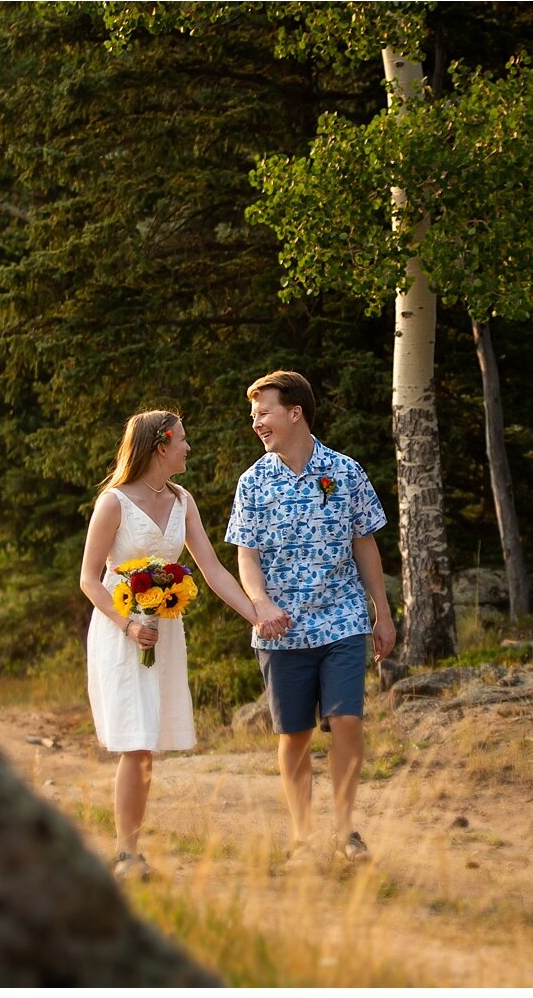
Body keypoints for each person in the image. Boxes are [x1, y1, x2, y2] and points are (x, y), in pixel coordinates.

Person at [80, 409, 262, 881]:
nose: (187, 447)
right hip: (122, 631)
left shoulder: (183, 500)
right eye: (181, 440)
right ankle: (126, 855)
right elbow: (88, 580)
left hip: (165, 629)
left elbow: (213, 570)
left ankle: (131, 851)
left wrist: (257, 616)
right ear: (160, 446)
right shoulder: (114, 502)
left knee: (148, 744)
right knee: (136, 742)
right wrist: (126, 625)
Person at [225, 370, 396, 866]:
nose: (256, 422)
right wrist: (260, 603)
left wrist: (380, 614)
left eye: (264, 412)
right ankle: (302, 837)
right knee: (294, 735)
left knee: (347, 720)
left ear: (294, 412)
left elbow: (365, 545)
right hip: (281, 630)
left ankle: (346, 832)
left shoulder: (345, 472)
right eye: (253, 415)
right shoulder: (253, 482)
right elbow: (246, 555)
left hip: (342, 620)